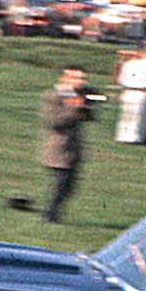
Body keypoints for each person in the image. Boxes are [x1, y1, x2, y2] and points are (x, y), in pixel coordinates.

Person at [39, 66, 92, 224]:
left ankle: (53, 214)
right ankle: (49, 216)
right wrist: (73, 107)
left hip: (73, 149)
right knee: (60, 184)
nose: (81, 82)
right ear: (65, 78)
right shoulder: (53, 96)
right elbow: (54, 121)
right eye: (77, 78)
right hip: (58, 149)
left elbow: (88, 117)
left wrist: (86, 105)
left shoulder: (76, 96)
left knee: (69, 186)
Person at [113, 48, 146, 144]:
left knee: (137, 115)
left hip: (140, 92)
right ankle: (122, 136)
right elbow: (121, 78)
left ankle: (133, 137)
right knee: (126, 114)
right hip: (130, 91)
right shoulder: (128, 64)